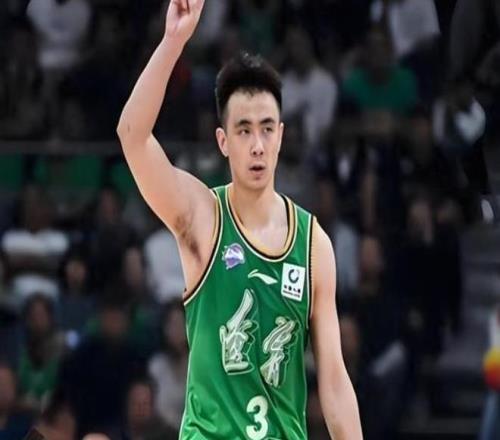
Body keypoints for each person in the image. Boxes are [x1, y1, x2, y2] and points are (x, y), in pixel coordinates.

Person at [116, 1, 363, 439]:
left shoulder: (313, 243)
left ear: (281, 136)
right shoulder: (202, 216)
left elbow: (334, 380)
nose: (257, 145)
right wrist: (173, 41)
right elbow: (132, 136)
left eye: (267, 128)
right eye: (244, 130)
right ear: (223, 141)